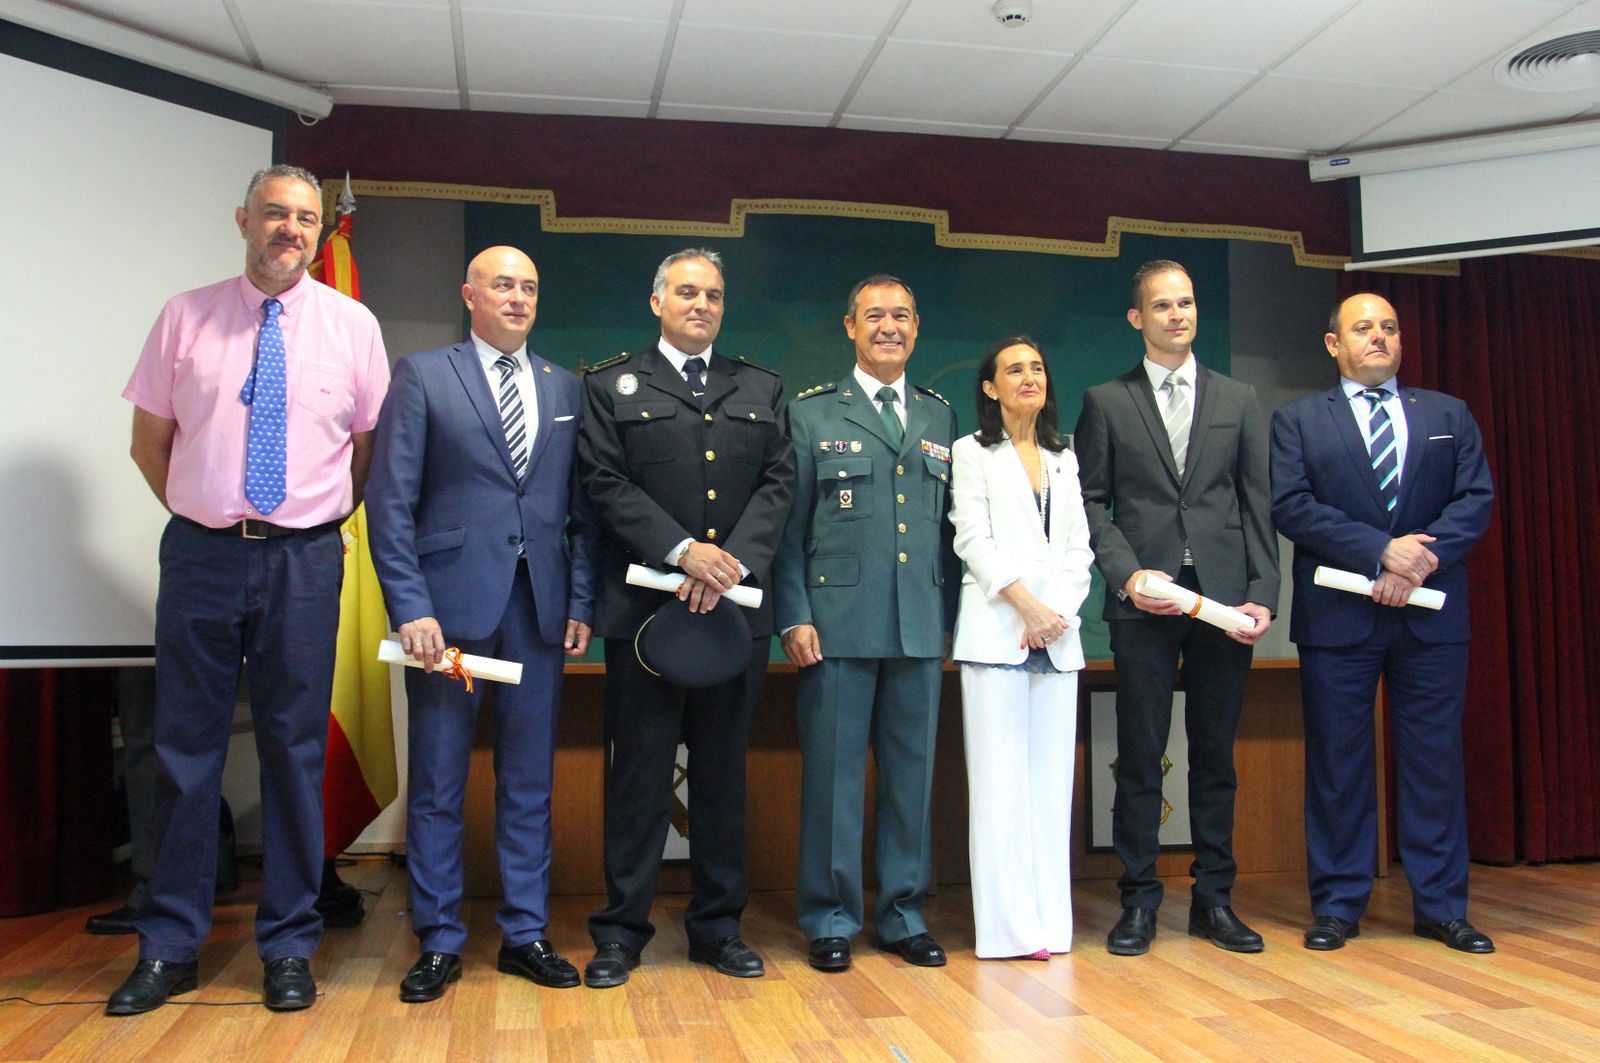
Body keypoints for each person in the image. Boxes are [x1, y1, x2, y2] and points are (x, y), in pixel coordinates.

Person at [113, 164, 390, 1015]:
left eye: (306, 219)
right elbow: (148, 443)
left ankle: (289, 943)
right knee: (183, 752)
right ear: (244, 219)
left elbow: (366, 452)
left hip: (306, 561)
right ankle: (168, 944)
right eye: (275, 213)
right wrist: (211, 516)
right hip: (201, 555)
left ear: (318, 231)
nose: (291, 230)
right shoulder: (184, 316)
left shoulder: (352, 325)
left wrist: (292, 523)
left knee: (292, 754)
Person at [365, 246, 600, 1002]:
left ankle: (525, 933)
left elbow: (583, 513)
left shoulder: (566, 386)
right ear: (469, 293)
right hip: (448, 622)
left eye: (530, 286)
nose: (519, 297)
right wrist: (410, 607)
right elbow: (390, 502)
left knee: (528, 783)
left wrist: (581, 602)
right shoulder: (425, 374)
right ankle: (437, 939)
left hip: (539, 614)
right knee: (437, 779)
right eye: (504, 284)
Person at [576, 248, 795, 988]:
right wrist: (681, 552)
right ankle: (620, 931)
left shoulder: (760, 386)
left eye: (714, 295)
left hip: (732, 614)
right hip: (646, 617)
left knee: (723, 778)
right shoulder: (611, 385)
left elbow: (778, 484)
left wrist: (725, 560)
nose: (701, 304)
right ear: (657, 300)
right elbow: (603, 482)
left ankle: (717, 928)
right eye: (687, 292)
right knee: (639, 774)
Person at [1271, 293, 1495, 954]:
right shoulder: (1299, 420)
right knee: (1339, 764)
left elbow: (1474, 498)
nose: (1379, 337)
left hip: (1431, 616)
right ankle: (1339, 903)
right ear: (1333, 344)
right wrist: (1379, 551)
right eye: (1363, 328)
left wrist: (1417, 560)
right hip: (1339, 616)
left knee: (1434, 762)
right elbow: (1292, 505)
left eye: (1389, 328)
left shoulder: (1448, 413)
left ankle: (1442, 906)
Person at [1074, 259, 1278, 957]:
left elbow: (1258, 503)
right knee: (1139, 753)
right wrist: (1128, 576)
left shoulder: (1238, 398)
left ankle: (1214, 900)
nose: (1177, 315)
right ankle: (1138, 901)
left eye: (1186, 303)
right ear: (1138, 318)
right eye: (1162, 305)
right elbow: (1092, 502)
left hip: (1224, 602)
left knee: (1215, 755)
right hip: (1144, 603)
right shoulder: (1106, 400)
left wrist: (1264, 592)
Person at [774, 274, 959, 973]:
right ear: (848, 326)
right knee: (833, 781)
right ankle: (829, 916)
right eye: (875, 315)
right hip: (836, 623)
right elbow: (788, 532)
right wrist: (792, 613)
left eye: (902, 316)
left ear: (917, 328)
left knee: (911, 780)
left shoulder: (940, 416)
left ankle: (905, 914)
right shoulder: (813, 413)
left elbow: (948, 533)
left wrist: (951, 619)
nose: (889, 326)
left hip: (919, 623)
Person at [949, 337, 1095, 960]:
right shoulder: (971, 453)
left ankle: (1049, 928)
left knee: (1049, 789)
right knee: (999, 788)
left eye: (1037, 367)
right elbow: (972, 540)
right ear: (990, 387)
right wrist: (1027, 608)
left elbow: (1080, 550)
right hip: (996, 631)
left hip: (1057, 640)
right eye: (1014, 370)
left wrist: (1056, 614)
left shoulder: (1065, 457)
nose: (1029, 377)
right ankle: (1008, 932)